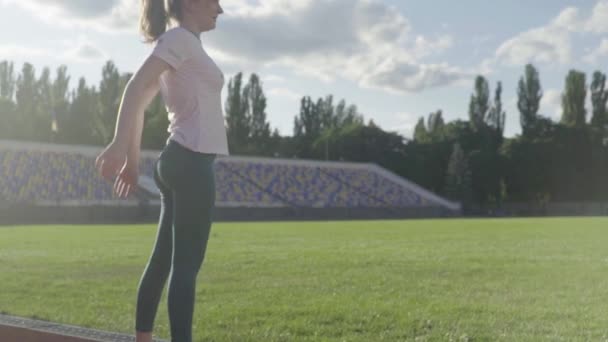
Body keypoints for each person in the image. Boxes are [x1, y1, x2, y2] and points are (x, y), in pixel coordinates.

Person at [94, 0, 227, 341]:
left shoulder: (178, 44)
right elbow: (135, 88)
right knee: (186, 267)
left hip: (176, 160)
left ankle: (143, 338)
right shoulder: (179, 40)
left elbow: (140, 102)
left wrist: (133, 162)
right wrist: (120, 145)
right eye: (214, 2)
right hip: (192, 162)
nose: (220, 9)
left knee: (163, 261)